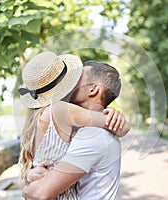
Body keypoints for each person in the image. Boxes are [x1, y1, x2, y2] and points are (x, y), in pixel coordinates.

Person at [18, 52, 129, 199]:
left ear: (93, 89)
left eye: (77, 78)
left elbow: (39, 192)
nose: (71, 80)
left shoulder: (92, 135)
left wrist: (27, 187)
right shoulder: (64, 115)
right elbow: (121, 128)